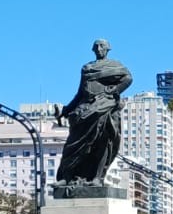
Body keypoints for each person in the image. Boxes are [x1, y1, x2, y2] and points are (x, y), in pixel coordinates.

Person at [55, 39, 134, 185]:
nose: (98, 48)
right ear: (92, 49)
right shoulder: (87, 68)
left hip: (106, 107)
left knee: (102, 143)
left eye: (102, 46)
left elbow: (128, 78)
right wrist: (66, 109)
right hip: (85, 110)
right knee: (74, 143)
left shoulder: (115, 65)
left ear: (108, 49)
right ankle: (67, 177)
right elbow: (80, 93)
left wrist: (115, 90)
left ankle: (97, 178)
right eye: (96, 46)